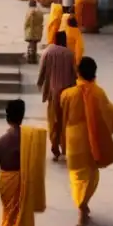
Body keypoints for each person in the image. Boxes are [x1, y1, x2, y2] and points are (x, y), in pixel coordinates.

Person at [59, 57, 113, 226]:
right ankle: (82, 205)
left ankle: (81, 205)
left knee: (76, 176)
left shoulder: (67, 95)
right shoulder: (99, 93)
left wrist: (61, 141)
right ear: (94, 74)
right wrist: (106, 131)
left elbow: (62, 120)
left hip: (74, 142)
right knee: (91, 175)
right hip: (93, 142)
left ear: (78, 73)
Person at [37, 30, 78, 159]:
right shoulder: (69, 54)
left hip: (52, 92)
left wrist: (40, 83)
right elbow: (75, 74)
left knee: (53, 120)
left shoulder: (48, 52)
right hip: (67, 93)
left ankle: (55, 148)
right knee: (65, 121)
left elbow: (42, 70)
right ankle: (65, 147)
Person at [24, 0, 44, 64]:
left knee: (30, 44)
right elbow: (41, 21)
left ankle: (30, 57)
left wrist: (25, 27)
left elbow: (27, 22)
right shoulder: (40, 12)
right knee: (34, 44)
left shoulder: (29, 12)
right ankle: (34, 58)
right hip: (37, 31)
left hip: (30, 31)